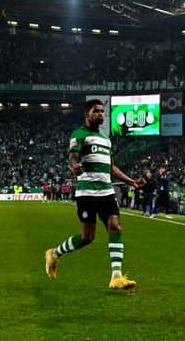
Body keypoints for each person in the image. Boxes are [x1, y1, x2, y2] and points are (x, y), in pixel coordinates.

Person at [44, 99, 144, 289]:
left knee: (115, 227)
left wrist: (130, 181)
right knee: (87, 237)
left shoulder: (106, 139)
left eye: (102, 111)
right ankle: (54, 254)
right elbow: (72, 157)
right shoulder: (79, 134)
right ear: (87, 113)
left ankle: (116, 276)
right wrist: (74, 167)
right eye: (96, 111)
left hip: (106, 191)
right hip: (87, 193)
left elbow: (111, 167)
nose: (101, 114)